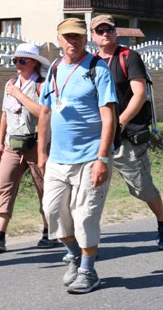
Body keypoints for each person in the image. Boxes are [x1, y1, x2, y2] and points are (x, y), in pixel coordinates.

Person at [38, 17, 117, 294]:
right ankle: (73, 253)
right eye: (68, 37)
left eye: (78, 37)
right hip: (58, 159)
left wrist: (102, 158)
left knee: (84, 215)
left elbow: (109, 118)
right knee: (53, 212)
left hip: (90, 157)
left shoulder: (97, 69)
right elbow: (46, 111)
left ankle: (88, 270)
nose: (73, 41)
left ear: (86, 38)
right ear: (58, 39)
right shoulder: (55, 69)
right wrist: (41, 152)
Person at [90, 14, 163, 249]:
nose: (105, 33)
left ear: (116, 32)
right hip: (98, 138)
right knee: (92, 189)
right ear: (93, 36)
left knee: (141, 187)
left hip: (126, 135)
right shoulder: (91, 62)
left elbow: (139, 94)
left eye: (109, 29)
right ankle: (88, 243)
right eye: (100, 30)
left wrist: (121, 121)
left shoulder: (129, 57)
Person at [0, 43, 57, 253]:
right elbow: (5, 114)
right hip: (13, 145)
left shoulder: (42, 84)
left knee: (44, 189)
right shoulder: (11, 83)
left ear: (34, 63)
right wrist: (1, 141)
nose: (18, 64)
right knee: (4, 187)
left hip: (37, 144)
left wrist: (19, 95)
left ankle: (50, 231)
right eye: (15, 60)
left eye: (22, 60)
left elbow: (43, 113)